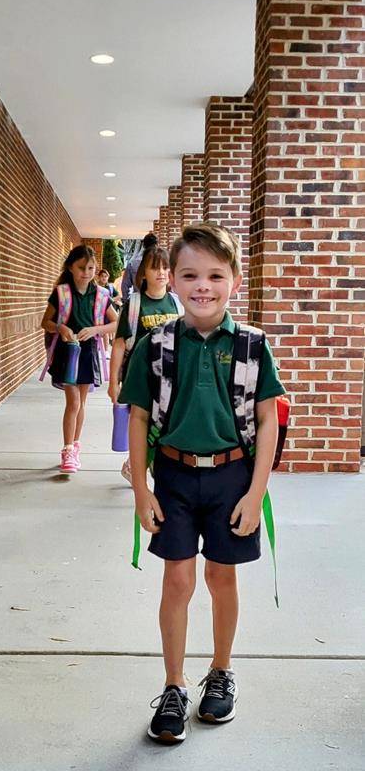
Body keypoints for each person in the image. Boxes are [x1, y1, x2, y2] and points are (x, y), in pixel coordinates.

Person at [118, 223, 285, 743]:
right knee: (177, 582)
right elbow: (140, 417)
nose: (203, 285)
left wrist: (255, 493)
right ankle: (173, 685)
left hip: (233, 478)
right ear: (172, 279)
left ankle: (221, 671)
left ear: (235, 279)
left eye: (215, 274)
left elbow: (268, 418)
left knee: (221, 579)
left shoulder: (253, 347)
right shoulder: (156, 344)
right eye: (190, 274)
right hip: (172, 476)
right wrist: (142, 489)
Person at [41, 245, 118, 474]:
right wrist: (61, 327)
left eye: (91, 268)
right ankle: (67, 449)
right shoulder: (61, 292)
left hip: (88, 352)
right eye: (81, 267)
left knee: (82, 402)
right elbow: (45, 321)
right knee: (73, 402)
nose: (87, 272)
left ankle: (75, 446)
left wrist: (96, 330)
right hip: (68, 352)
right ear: (71, 268)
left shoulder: (102, 295)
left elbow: (115, 323)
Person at [108, 245, 182, 482]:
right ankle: (140, 465)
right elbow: (119, 345)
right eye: (154, 267)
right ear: (144, 273)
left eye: (165, 267)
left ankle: (141, 464)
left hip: (169, 379)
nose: (160, 272)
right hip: (139, 378)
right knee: (142, 425)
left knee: (164, 425)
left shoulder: (177, 305)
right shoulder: (135, 304)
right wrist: (113, 383)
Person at [121, 232, 158, 301]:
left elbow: (125, 286)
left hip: (138, 301)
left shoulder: (133, 264)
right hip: (158, 300)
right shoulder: (162, 264)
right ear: (157, 245)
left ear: (143, 245)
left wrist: (127, 302)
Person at [97, 269, 122, 358]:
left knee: (105, 331)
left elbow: (119, 296)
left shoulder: (110, 288)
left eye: (106, 276)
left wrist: (111, 300)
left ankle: (106, 351)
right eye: (102, 276)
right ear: (99, 277)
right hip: (97, 311)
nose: (104, 278)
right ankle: (99, 349)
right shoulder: (95, 287)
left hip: (108, 311)